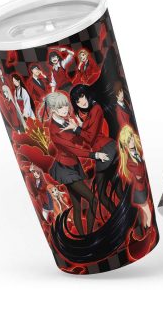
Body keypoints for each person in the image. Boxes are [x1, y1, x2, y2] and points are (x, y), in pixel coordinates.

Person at [40, 92, 107, 235]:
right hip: (65, 169)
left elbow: (78, 142)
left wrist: (77, 128)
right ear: (53, 110)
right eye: (60, 107)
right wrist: (94, 155)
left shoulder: (65, 122)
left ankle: (84, 237)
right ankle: (89, 236)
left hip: (73, 165)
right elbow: (72, 149)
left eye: (66, 105)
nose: (65, 109)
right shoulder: (54, 129)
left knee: (77, 205)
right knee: (93, 200)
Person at [66, 85, 121, 216]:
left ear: (87, 94)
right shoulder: (90, 111)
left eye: (82, 96)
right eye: (77, 101)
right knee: (116, 186)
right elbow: (88, 133)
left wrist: (76, 129)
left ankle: (119, 217)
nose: (82, 102)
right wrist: (79, 124)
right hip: (105, 150)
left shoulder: (96, 108)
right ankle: (126, 216)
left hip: (105, 150)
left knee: (101, 194)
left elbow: (90, 137)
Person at [118, 125, 152, 232]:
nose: (132, 141)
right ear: (125, 144)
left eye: (132, 137)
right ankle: (147, 231)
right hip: (139, 192)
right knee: (148, 214)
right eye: (129, 141)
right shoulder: (129, 161)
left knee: (146, 215)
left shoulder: (138, 152)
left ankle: (144, 230)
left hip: (143, 189)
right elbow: (140, 174)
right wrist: (143, 161)